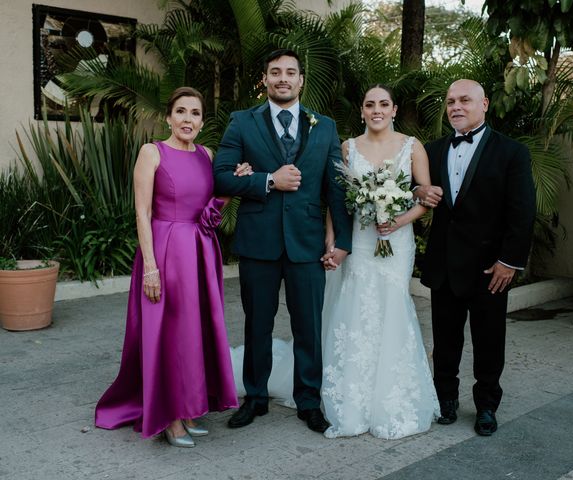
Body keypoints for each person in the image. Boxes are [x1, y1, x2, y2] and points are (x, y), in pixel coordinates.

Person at [95, 87, 245, 447]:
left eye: (195, 113)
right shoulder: (152, 152)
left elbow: (208, 214)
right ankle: (170, 418)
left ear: (201, 120)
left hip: (200, 251)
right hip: (165, 252)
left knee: (195, 333)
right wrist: (150, 266)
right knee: (172, 333)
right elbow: (142, 213)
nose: (187, 119)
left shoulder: (207, 155)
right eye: (181, 112)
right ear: (168, 117)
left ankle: (190, 408)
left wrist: (229, 189)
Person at [213, 49, 352, 433]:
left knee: (308, 326)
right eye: (275, 72)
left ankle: (309, 400)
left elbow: (336, 186)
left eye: (290, 72)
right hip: (258, 241)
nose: (283, 79)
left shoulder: (323, 126)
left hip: (306, 243)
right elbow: (221, 176)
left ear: (301, 80)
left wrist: (341, 239)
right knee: (257, 323)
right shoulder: (242, 122)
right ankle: (254, 397)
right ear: (265, 79)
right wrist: (268, 180)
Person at [415, 79, 536, 436]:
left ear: (484, 104)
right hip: (444, 265)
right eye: (451, 101)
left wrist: (509, 261)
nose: (456, 106)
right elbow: (411, 186)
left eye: (465, 100)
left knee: (488, 340)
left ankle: (486, 405)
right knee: (445, 339)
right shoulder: (432, 149)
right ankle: (445, 400)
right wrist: (419, 188)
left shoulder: (512, 152)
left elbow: (522, 211)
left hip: (490, 268)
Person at [319, 84, 440, 439]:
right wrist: (333, 239)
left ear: (394, 109)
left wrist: (397, 221)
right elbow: (337, 201)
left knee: (392, 305)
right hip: (359, 238)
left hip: (396, 241)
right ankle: (351, 396)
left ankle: (393, 394)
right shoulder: (348, 147)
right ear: (362, 110)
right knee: (357, 305)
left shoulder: (412, 146)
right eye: (370, 104)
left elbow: (426, 198)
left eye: (383, 104)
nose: (376, 110)